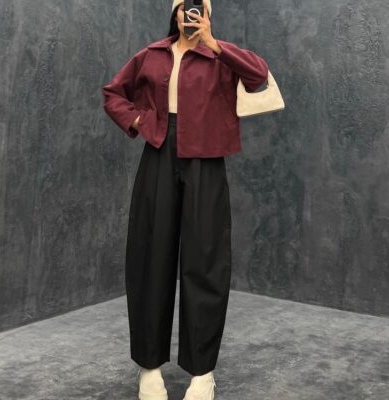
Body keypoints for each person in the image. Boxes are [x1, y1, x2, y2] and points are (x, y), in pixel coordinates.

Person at [101, 1, 269, 399]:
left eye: (198, 9)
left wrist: (214, 43)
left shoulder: (219, 55)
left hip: (206, 157)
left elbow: (259, 76)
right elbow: (113, 94)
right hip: (159, 151)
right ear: (174, 13)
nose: (189, 16)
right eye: (183, 8)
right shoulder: (152, 54)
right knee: (150, 256)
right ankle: (149, 367)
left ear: (207, 15)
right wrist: (138, 120)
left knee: (205, 259)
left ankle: (202, 372)